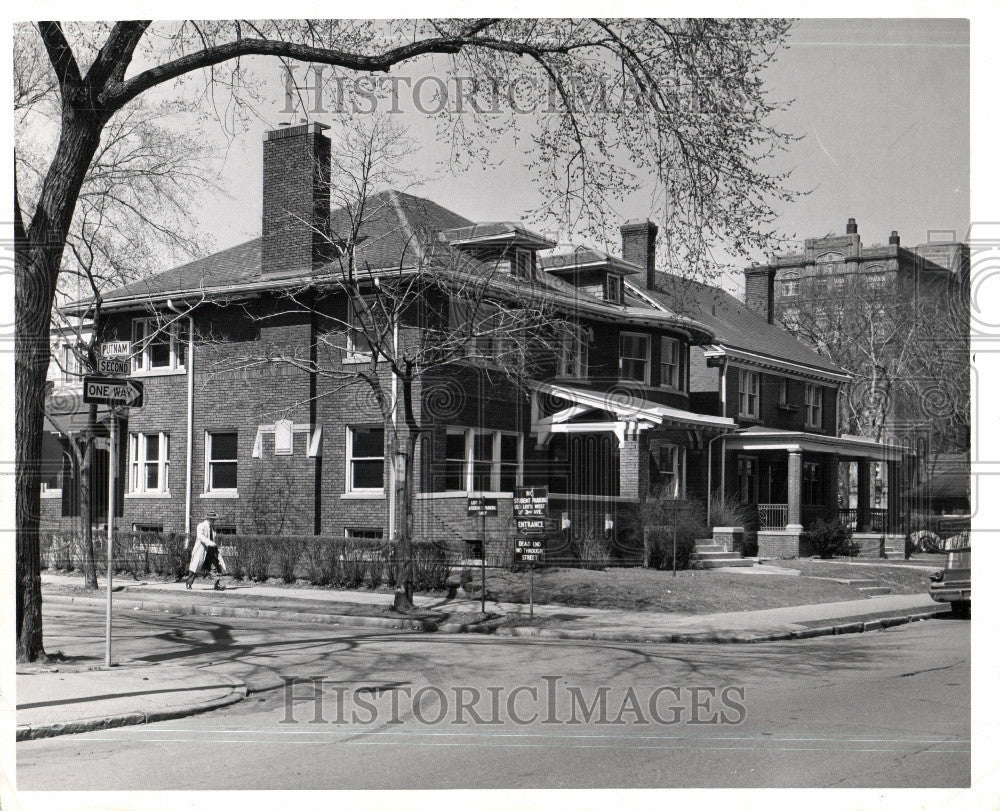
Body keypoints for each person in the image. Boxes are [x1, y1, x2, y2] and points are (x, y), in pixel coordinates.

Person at [185, 510, 227, 589]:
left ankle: (217, 584)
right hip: (202, 549)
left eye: (214, 519)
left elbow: (214, 538)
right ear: (209, 519)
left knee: (216, 566)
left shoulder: (213, 528)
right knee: (196, 567)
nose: (214, 521)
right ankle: (189, 582)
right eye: (213, 519)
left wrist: (216, 546)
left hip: (211, 550)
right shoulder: (201, 525)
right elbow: (200, 536)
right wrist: (209, 542)